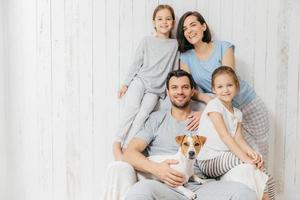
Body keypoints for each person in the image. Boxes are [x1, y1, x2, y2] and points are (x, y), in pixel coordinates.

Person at [120, 69, 257, 200]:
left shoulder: (209, 118)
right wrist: (157, 169)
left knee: (245, 194)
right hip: (162, 186)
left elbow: (227, 121)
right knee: (139, 192)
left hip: (199, 186)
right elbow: (129, 153)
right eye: (174, 87)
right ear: (167, 92)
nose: (180, 91)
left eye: (185, 87)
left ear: (192, 92)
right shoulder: (156, 119)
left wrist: (205, 113)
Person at [176, 11, 270, 163]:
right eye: (185, 29)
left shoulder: (224, 47)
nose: (189, 31)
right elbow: (189, 89)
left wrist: (209, 107)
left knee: (260, 156)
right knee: (242, 159)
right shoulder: (186, 57)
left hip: (249, 105)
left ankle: (265, 186)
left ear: (204, 26)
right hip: (225, 112)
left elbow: (227, 80)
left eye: (193, 25)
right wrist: (207, 102)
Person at [196, 66, 275, 200]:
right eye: (220, 87)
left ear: (236, 86)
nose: (225, 90)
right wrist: (246, 159)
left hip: (225, 157)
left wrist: (252, 154)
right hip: (209, 160)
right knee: (252, 165)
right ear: (214, 89)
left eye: (229, 85)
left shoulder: (237, 113)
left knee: (267, 176)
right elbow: (225, 136)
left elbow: (239, 139)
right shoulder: (214, 106)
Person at [113, 4, 179, 161]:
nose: (164, 22)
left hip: (156, 89)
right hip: (141, 80)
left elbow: (174, 68)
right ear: (154, 22)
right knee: (133, 108)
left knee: (143, 115)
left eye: (168, 19)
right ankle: (118, 141)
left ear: (173, 22)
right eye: (160, 19)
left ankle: (128, 146)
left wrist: (171, 90)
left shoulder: (175, 44)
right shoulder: (146, 41)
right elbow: (136, 63)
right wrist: (126, 83)